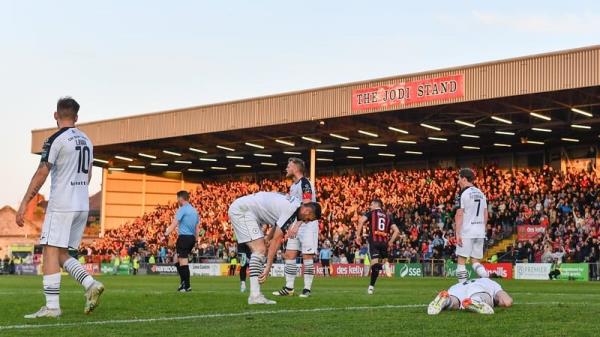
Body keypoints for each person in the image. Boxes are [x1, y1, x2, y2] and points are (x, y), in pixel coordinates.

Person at [16, 97, 104, 318]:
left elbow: (42, 172)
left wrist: (24, 203)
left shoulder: (55, 139)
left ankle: (52, 307)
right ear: (76, 117)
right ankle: (90, 283)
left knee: (49, 251)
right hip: (81, 204)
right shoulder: (87, 140)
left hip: (62, 204)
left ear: (56, 115)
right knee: (63, 254)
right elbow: (89, 173)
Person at [228, 191, 321, 305]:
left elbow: (277, 225)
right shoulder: (291, 210)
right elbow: (277, 240)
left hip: (247, 210)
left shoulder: (295, 205)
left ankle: (255, 295)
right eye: (310, 219)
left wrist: (267, 238)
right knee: (260, 250)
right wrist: (268, 268)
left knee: (260, 249)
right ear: (307, 211)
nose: (307, 222)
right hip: (243, 211)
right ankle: (255, 296)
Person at [273, 158, 319, 298]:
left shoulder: (305, 183)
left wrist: (297, 225)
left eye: (288, 166)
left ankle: (307, 289)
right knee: (290, 255)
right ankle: (289, 288)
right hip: (296, 225)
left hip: (308, 224)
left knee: (307, 256)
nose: (286, 168)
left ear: (295, 168)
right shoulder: (293, 186)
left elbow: (307, 205)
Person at [355, 199, 400, 294]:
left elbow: (361, 221)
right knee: (375, 266)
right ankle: (371, 288)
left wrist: (358, 236)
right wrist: (391, 242)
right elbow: (397, 231)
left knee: (374, 265)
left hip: (374, 242)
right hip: (384, 242)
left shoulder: (372, 213)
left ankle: (383, 267)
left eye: (371, 205)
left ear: (376, 205)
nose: (370, 206)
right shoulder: (388, 216)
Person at [454, 168, 489, 283]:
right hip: (479, 232)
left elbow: (459, 214)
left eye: (458, 179)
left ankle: (462, 288)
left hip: (467, 231)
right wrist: (482, 229)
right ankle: (486, 279)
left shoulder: (462, 193)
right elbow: (485, 214)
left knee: (461, 261)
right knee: (475, 262)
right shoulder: (481, 193)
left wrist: (457, 233)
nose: (458, 181)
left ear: (464, 179)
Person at [164, 190, 200, 292]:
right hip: (191, 238)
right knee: (176, 259)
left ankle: (187, 286)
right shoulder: (194, 210)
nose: (177, 200)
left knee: (183, 262)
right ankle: (183, 283)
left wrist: (166, 233)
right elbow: (197, 227)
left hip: (184, 238)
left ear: (181, 198)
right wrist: (196, 240)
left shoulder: (182, 209)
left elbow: (174, 223)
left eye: (177, 198)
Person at [427, 278, 513, 315]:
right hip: (478, 288)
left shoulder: (459, 284)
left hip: (457, 288)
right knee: (481, 296)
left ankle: (446, 300)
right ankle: (474, 301)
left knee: (454, 301)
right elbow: (506, 301)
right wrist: (496, 301)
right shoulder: (490, 282)